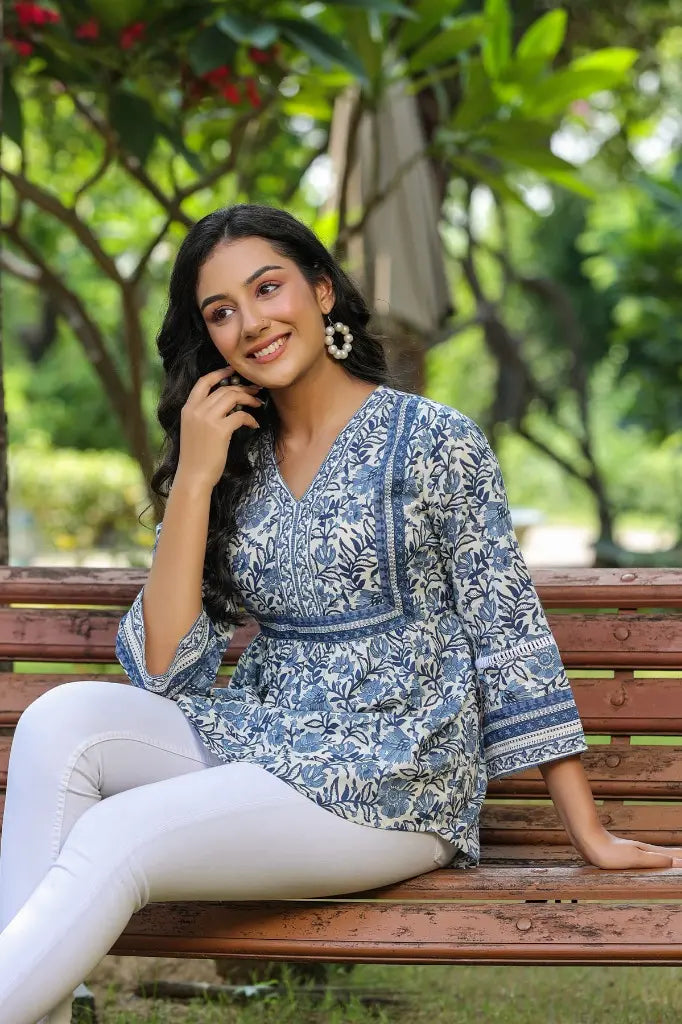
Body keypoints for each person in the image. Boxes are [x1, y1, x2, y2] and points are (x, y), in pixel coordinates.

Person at [1, 203, 680, 1023]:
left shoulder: (435, 439)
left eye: (267, 289)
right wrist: (193, 479)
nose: (251, 323)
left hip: (395, 776)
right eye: (221, 312)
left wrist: (589, 833)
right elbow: (163, 671)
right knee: (60, 722)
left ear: (322, 292)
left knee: (116, 837)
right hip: (265, 737)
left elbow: (510, 635)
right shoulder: (232, 457)